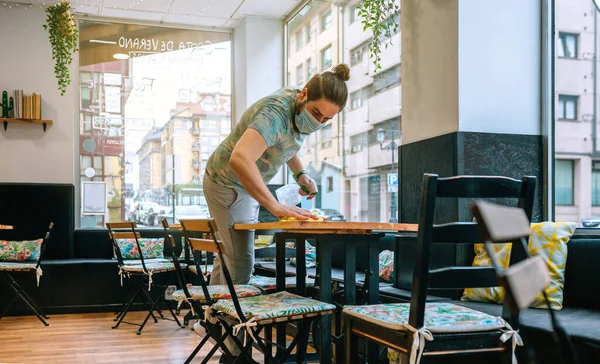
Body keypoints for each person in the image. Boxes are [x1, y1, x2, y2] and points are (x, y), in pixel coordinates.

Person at [203, 63, 350, 289]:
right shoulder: (273, 114)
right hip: (226, 183)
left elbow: (284, 142)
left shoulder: (297, 104)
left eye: (326, 120)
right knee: (241, 262)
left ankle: (211, 319)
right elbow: (239, 159)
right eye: (316, 113)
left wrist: (300, 174)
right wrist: (275, 206)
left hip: (245, 184)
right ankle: (229, 321)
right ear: (303, 95)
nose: (318, 123)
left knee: (230, 254)